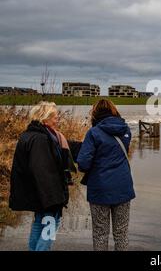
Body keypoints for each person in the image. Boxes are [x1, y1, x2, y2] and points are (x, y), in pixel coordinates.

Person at [9, 101, 75, 251]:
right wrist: (55, 199)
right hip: (47, 197)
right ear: (45, 118)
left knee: (39, 224)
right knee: (50, 228)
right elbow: (43, 171)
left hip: (38, 195)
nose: (57, 120)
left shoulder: (29, 135)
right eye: (54, 117)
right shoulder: (41, 139)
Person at [77, 99, 135, 251]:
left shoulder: (93, 133)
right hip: (123, 187)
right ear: (114, 111)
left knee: (100, 234)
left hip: (100, 189)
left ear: (95, 114)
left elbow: (83, 164)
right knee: (121, 233)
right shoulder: (126, 130)